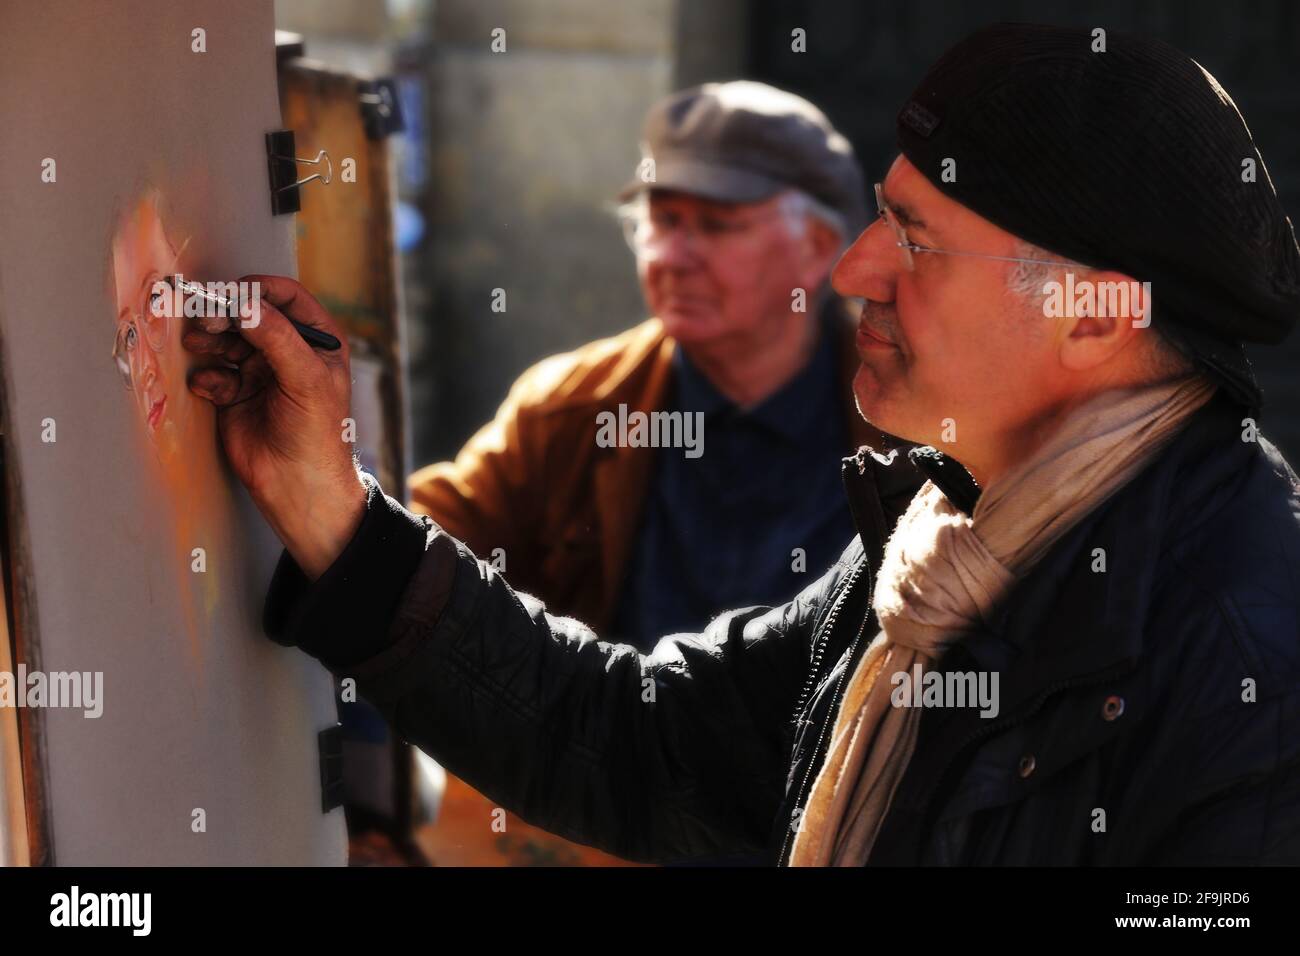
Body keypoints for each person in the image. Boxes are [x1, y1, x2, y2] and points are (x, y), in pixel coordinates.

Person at [186, 23, 1300, 865]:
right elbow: (637, 740)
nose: (857, 268)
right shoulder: (940, 538)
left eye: (916, 240)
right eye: (878, 215)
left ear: (1094, 314)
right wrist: (333, 511)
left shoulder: (1252, 661)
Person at [408, 80, 918, 651]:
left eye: (716, 226)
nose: (673, 257)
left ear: (819, 246)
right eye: (662, 221)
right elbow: (422, 548)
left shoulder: (916, 417)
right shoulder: (573, 409)